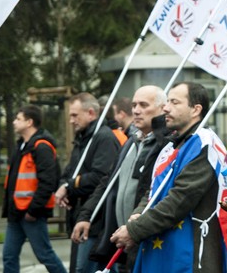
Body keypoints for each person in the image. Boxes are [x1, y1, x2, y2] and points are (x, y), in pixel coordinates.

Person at [110, 82, 227, 272]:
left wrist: (135, 230)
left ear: (196, 109)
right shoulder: (173, 145)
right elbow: (153, 191)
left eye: (174, 102)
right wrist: (139, 213)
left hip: (189, 256)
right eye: (167, 101)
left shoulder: (203, 144)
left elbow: (179, 200)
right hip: (166, 251)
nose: (166, 108)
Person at [71, 86, 166, 273]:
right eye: (134, 105)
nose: (136, 110)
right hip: (122, 242)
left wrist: (136, 229)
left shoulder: (166, 146)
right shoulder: (131, 142)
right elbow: (108, 182)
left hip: (147, 239)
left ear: (162, 109)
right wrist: (86, 216)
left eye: (143, 105)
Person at [55, 92, 120, 273]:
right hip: (80, 216)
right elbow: (69, 172)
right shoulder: (82, 138)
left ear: (91, 113)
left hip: (95, 221)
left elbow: (101, 177)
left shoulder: (104, 138)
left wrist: (69, 186)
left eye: (74, 115)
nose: (71, 121)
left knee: (85, 268)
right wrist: (64, 187)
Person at [2, 105, 67, 273]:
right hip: (16, 211)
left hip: (31, 213)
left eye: (18, 119)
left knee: (44, 254)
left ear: (29, 122)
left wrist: (33, 210)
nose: (14, 122)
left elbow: (48, 182)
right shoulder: (23, 146)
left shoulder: (41, 147)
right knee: (9, 255)